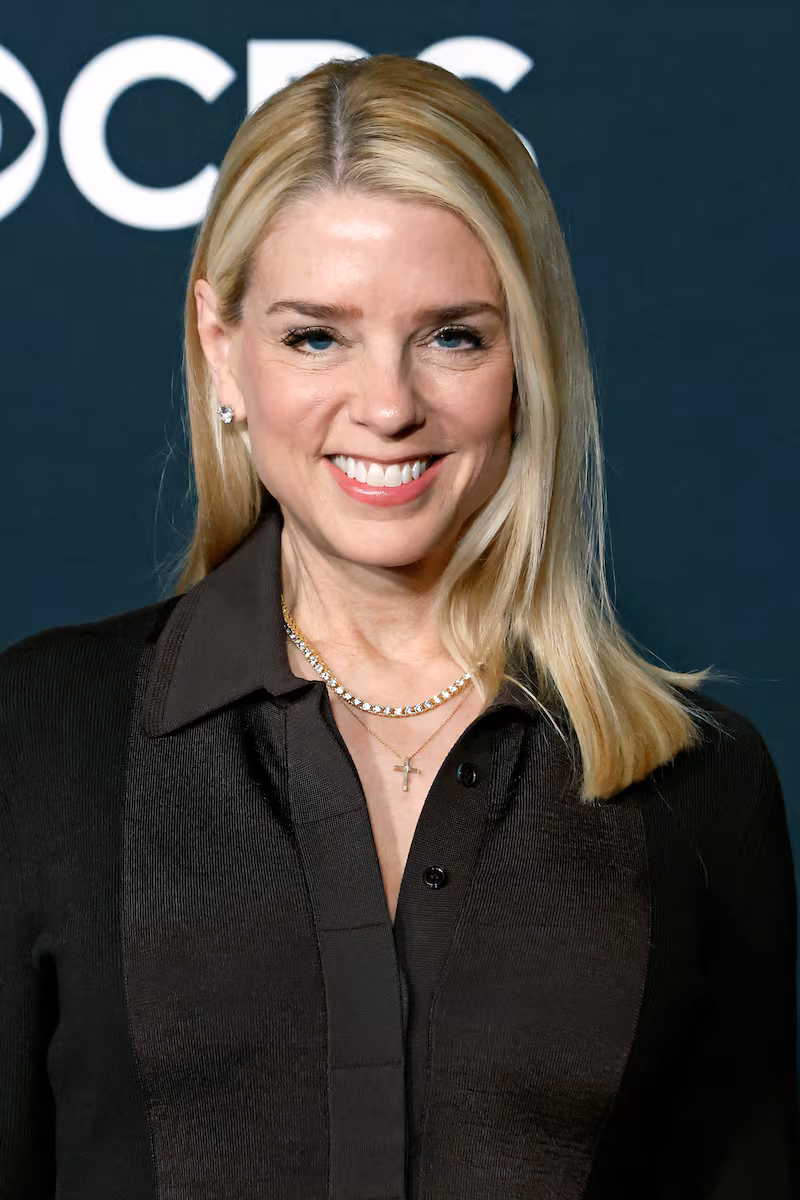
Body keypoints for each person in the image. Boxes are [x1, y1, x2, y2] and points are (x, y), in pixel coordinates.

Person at [0, 52, 797, 1200]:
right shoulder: (43, 737)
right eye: (315, 336)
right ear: (222, 349)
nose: (386, 406)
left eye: (452, 336)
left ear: (527, 359)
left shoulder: (697, 787)